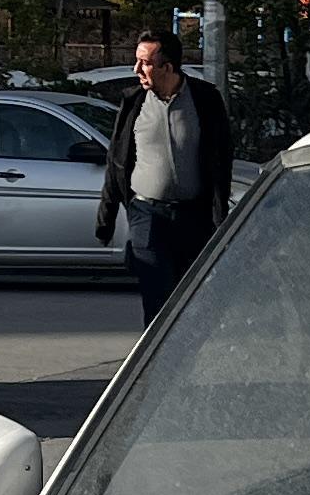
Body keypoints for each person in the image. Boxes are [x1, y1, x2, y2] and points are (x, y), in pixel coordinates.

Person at [94, 27, 239, 318]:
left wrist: (218, 215)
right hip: (147, 216)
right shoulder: (134, 101)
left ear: (168, 67)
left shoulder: (204, 99)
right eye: (136, 61)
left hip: (193, 217)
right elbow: (116, 159)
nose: (137, 70)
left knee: (191, 302)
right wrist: (105, 218)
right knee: (156, 301)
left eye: (145, 63)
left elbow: (222, 158)